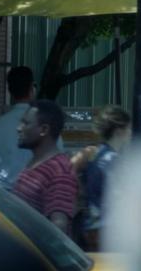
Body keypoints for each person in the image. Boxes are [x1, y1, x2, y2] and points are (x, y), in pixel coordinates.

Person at [0, 66, 62, 190]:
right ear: (32, 89)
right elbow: (58, 157)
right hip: (38, 194)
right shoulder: (46, 123)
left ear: (9, 91)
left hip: (5, 197)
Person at [12, 100, 77, 236]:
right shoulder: (37, 163)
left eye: (26, 123)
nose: (19, 128)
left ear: (44, 130)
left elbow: (59, 230)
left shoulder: (59, 171)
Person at [81, 105, 132, 251]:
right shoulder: (112, 160)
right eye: (129, 128)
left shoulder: (97, 154)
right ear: (119, 131)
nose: (130, 133)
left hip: (93, 227)